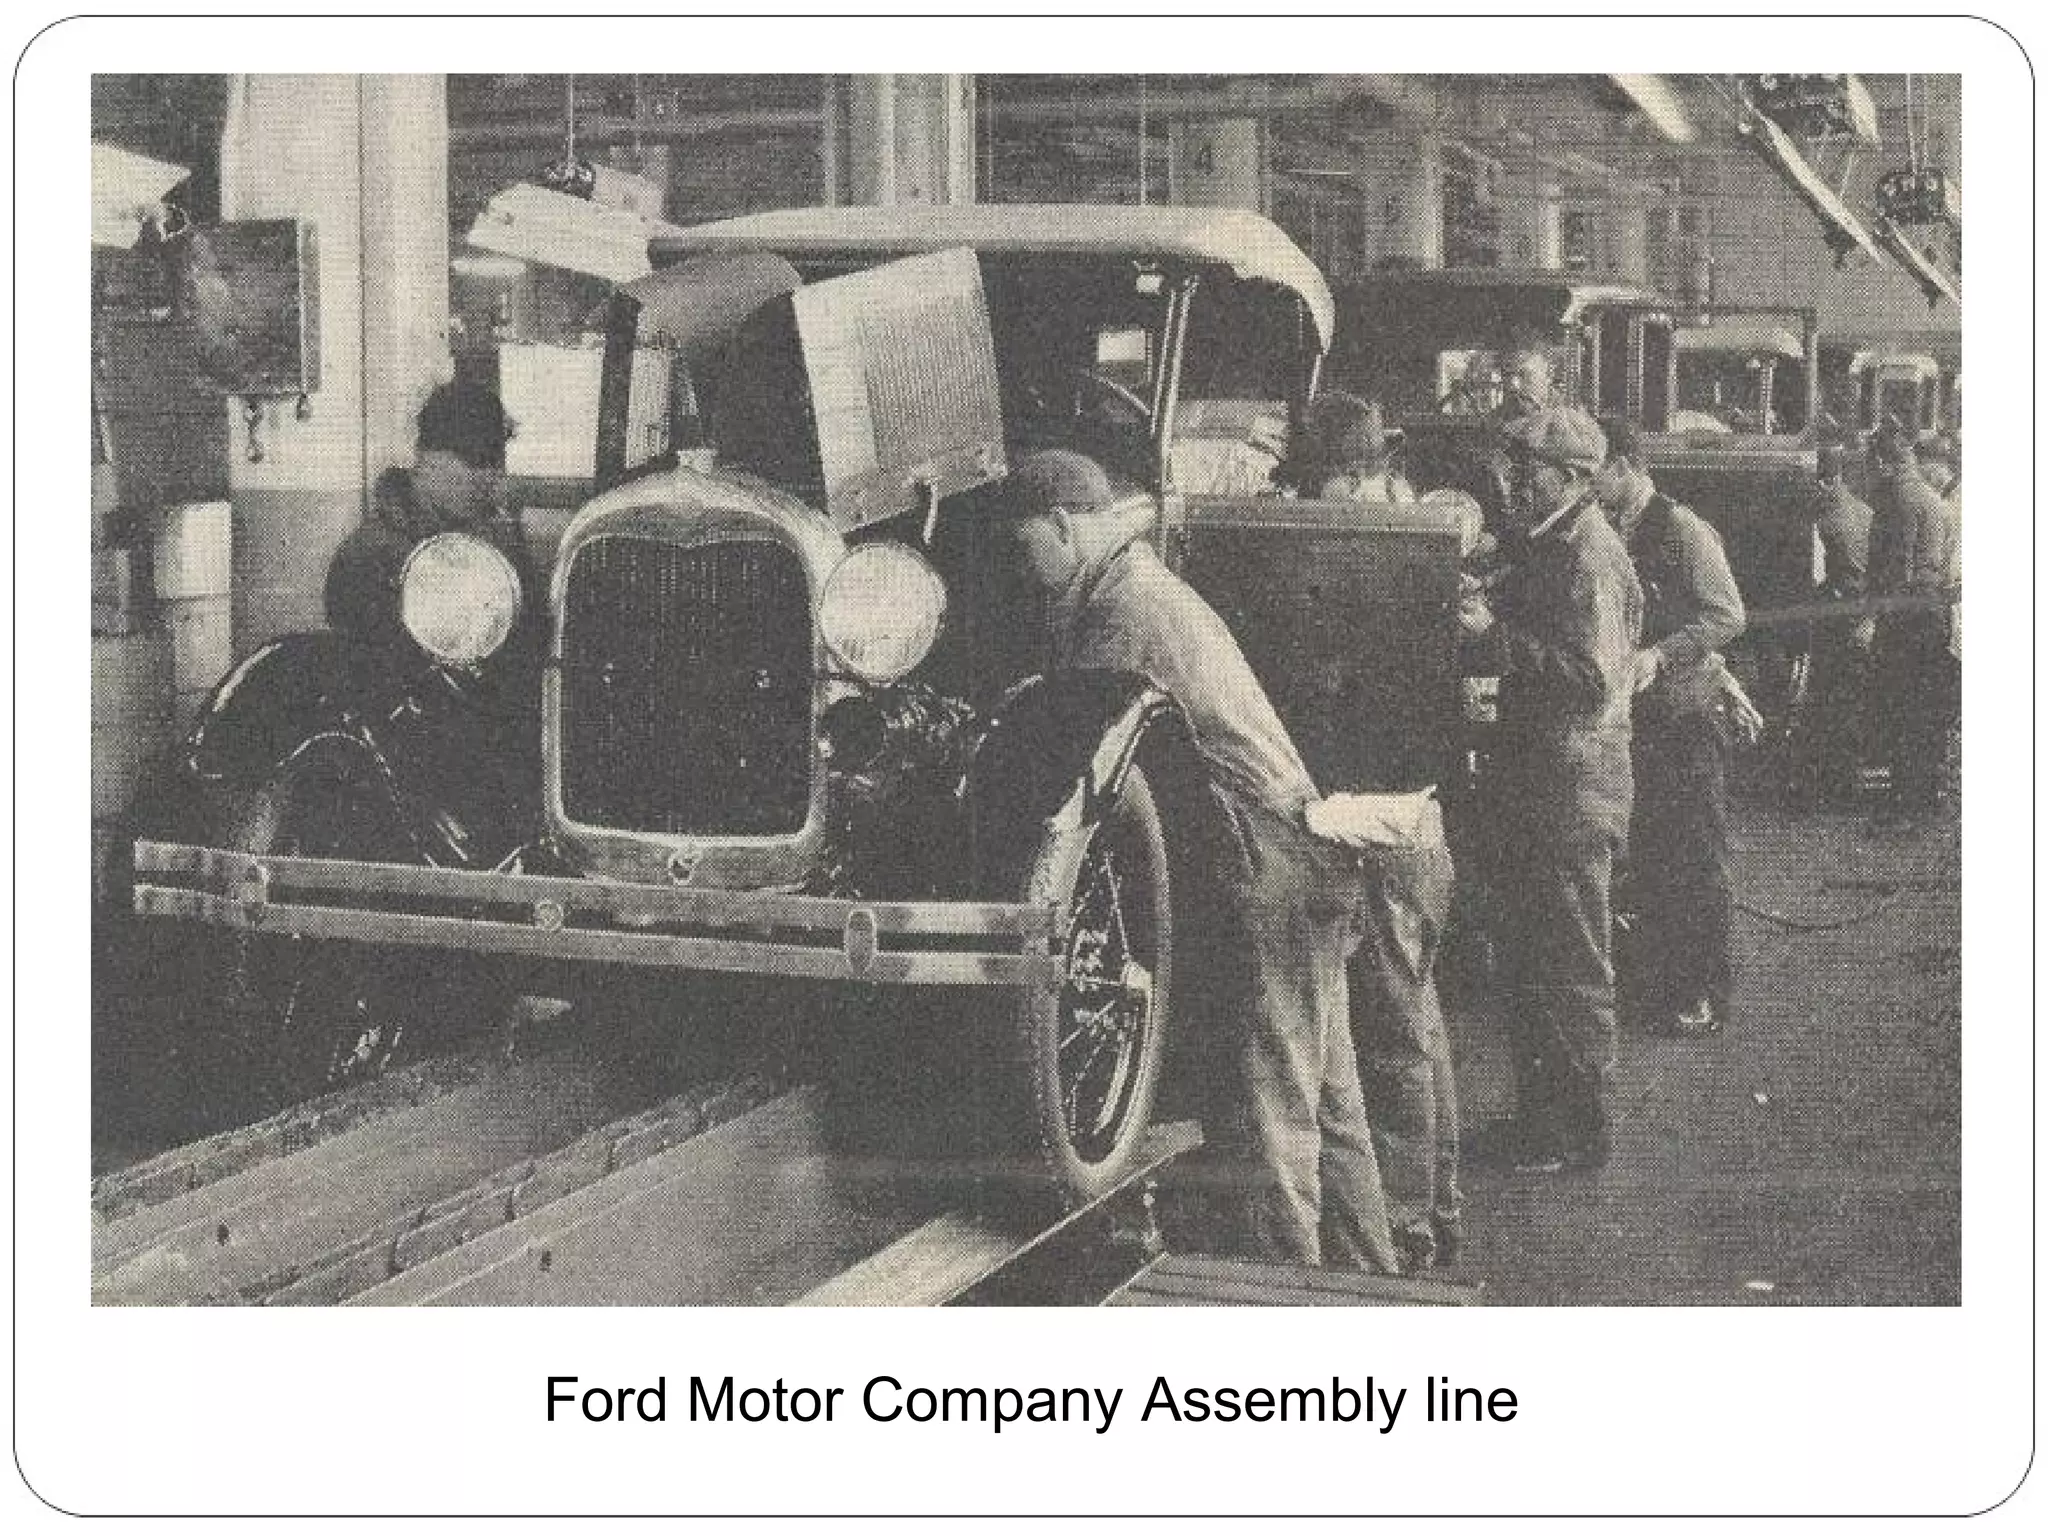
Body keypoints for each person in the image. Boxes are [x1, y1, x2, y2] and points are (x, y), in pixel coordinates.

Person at [1000, 447, 1402, 1271]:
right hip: (1308, 856)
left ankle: (1286, 1302)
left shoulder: (1122, 616)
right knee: (1330, 1105)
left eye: (1026, 544)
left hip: (1270, 867)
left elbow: (1080, 771)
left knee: (1270, 1118)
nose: (1024, 568)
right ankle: (1373, 1282)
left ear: (1063, 528)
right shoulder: (1139, 583)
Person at [1459, 407, 1642, 1173]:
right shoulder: (1554, 544)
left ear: (1571, 477)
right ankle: (1542, 1123)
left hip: (1571, 787)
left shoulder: (1587, 557)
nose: (1515, 480)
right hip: (1545, 783)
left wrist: (1491, 636)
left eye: (1528, 469)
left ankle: (1578, 1135)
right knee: (1535, 960)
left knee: (1569, 965)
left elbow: (1591, 678)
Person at [1595, 419, 1747, 1038]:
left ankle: (1703, 993)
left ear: (1624, 466)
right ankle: (1665, 985)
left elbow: (1727, 616)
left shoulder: (1683, 529)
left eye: (1596, 471)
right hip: (1645, 720)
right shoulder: (1614, 529)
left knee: (1696, 858)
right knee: (1655, 855)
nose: (1589, 485)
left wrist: (1661, 654)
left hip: (1687, 717)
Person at [325, 378, 534, 654]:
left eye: (495, 462)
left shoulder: (497, 540)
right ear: (426, 457)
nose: (489, 478)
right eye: (475, 459)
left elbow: (526, 641)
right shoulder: (369, 555)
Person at [1861, 422, 1961, 829]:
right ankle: (1922, 797)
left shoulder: (1898, 499)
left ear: (1882, 461)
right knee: (1921, 711)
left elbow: (1897, 568)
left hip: (1906, 619)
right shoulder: (1932, 499)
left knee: (1900, 710)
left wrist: (1872, 619)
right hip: (1929, 615)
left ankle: (1902, 807)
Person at [1790, 443, 1875, 807]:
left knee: (1821, 701)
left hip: (1832, 621)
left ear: (1824, 481)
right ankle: (1847, 783)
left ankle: (1819, 786)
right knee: (1851, 702)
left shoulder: (1821, 523)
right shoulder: (1866, 512)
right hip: (1862, 618)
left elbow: (1814, 579)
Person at [1276, 391, 1415, 504]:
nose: (1381, 438)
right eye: (1371, 434)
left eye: (1378, 432)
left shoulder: (1391, 485)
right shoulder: (1338, 487)